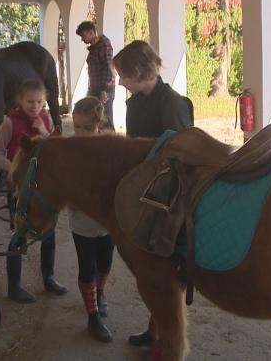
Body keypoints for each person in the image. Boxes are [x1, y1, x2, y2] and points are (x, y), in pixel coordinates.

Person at [112, 40, 193, 346]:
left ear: (139, 73)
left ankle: (163, 333)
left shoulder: (172, 104)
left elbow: (183, 154)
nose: (120, 81)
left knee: (160, 266)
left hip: (166, 196)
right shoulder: (137, 101)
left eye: (124, 75)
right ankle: (156, 328)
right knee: (147, 267)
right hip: (145, 189)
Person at [0, 79, 67, 303]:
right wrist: (16, 170)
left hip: (44, 186)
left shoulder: (45, 118)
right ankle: (14, 287)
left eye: (39, 101)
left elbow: (53, 148)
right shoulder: (9, 122)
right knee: (19, 234)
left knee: (49, 232)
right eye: (29, 101)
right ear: (20, 100)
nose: (34, 106)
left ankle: (49, 278)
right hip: (20, 187)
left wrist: (44, 131)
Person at [69, 96, 116, 342]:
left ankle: (100, 293)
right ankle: (92, 316)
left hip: (107, 222)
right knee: (86, 266)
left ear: (100, 124)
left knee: (105, 262)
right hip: (82, 223)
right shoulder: (70, 151)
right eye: (77, 127)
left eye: (87, 128)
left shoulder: (109, 149)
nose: (80, 133)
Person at [76, 21, 116, 130]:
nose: (82, 39)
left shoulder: (104, 45)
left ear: (91, 32)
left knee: (105, 120)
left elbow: (108, 68)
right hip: (95, 89)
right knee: (95, 119)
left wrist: (104, 90)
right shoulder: (95, 47)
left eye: (83, 35)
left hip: (104, 90)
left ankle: (112, 143)